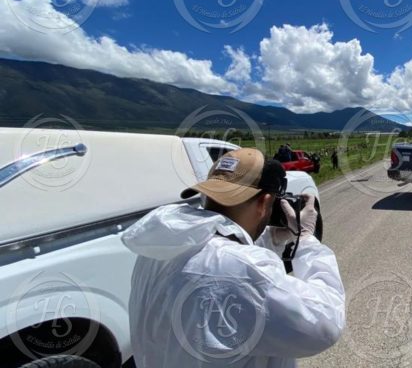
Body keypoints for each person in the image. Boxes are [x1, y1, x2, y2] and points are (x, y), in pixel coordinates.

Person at [122, 148, 345, 368]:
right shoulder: (244, 271)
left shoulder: (158, 250)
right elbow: (326, 323)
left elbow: (218, 248)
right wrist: (306, 241)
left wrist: (272, 238)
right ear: (266, 202)